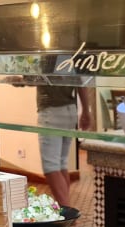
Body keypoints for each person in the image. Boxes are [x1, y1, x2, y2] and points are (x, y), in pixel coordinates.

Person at [36, 80, 94, 208]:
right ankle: (65, 208)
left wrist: (18, 80)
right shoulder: (70, 64)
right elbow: (80, 82)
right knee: (61, 164)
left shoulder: (45, 63)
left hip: (50, 110)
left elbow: (34, 78)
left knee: (51, 167)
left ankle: (67, 212)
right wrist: (86, 110)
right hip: (70, 111)